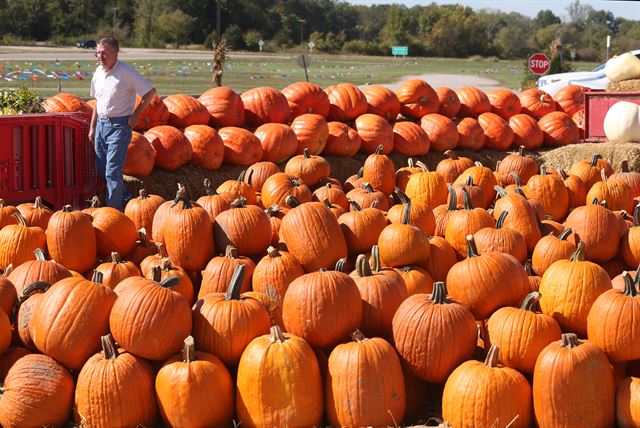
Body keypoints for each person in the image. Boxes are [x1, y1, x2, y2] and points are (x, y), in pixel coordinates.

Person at [88, 37, 157, 211]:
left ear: (115, 53)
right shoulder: (98, 72)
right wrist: (92, 127)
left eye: (104, 53)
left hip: (119, 126)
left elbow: (150, 92)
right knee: (103, 170)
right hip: (101, 126)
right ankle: (125, 197)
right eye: (98, 53)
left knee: (112, 172)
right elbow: (97, 100)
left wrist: (135, 116)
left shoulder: (126, 72)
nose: (100, 56)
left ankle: (114, 213)